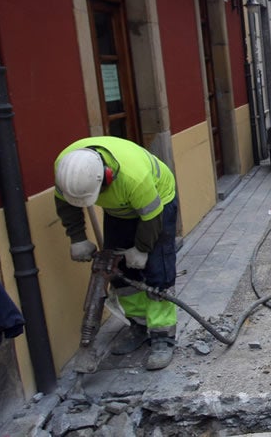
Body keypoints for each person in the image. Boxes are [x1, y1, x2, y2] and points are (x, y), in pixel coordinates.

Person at [53, 136, 179, 371]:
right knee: (119, 271)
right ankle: (139, 326)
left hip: (158, 203)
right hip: (118, 210)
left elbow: (151, 217)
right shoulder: (66, 168)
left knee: (158, 271)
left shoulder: (134, 178)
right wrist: (78, 238)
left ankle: (163, 337)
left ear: (106, 177)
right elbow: (66, 203)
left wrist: (142, 249)